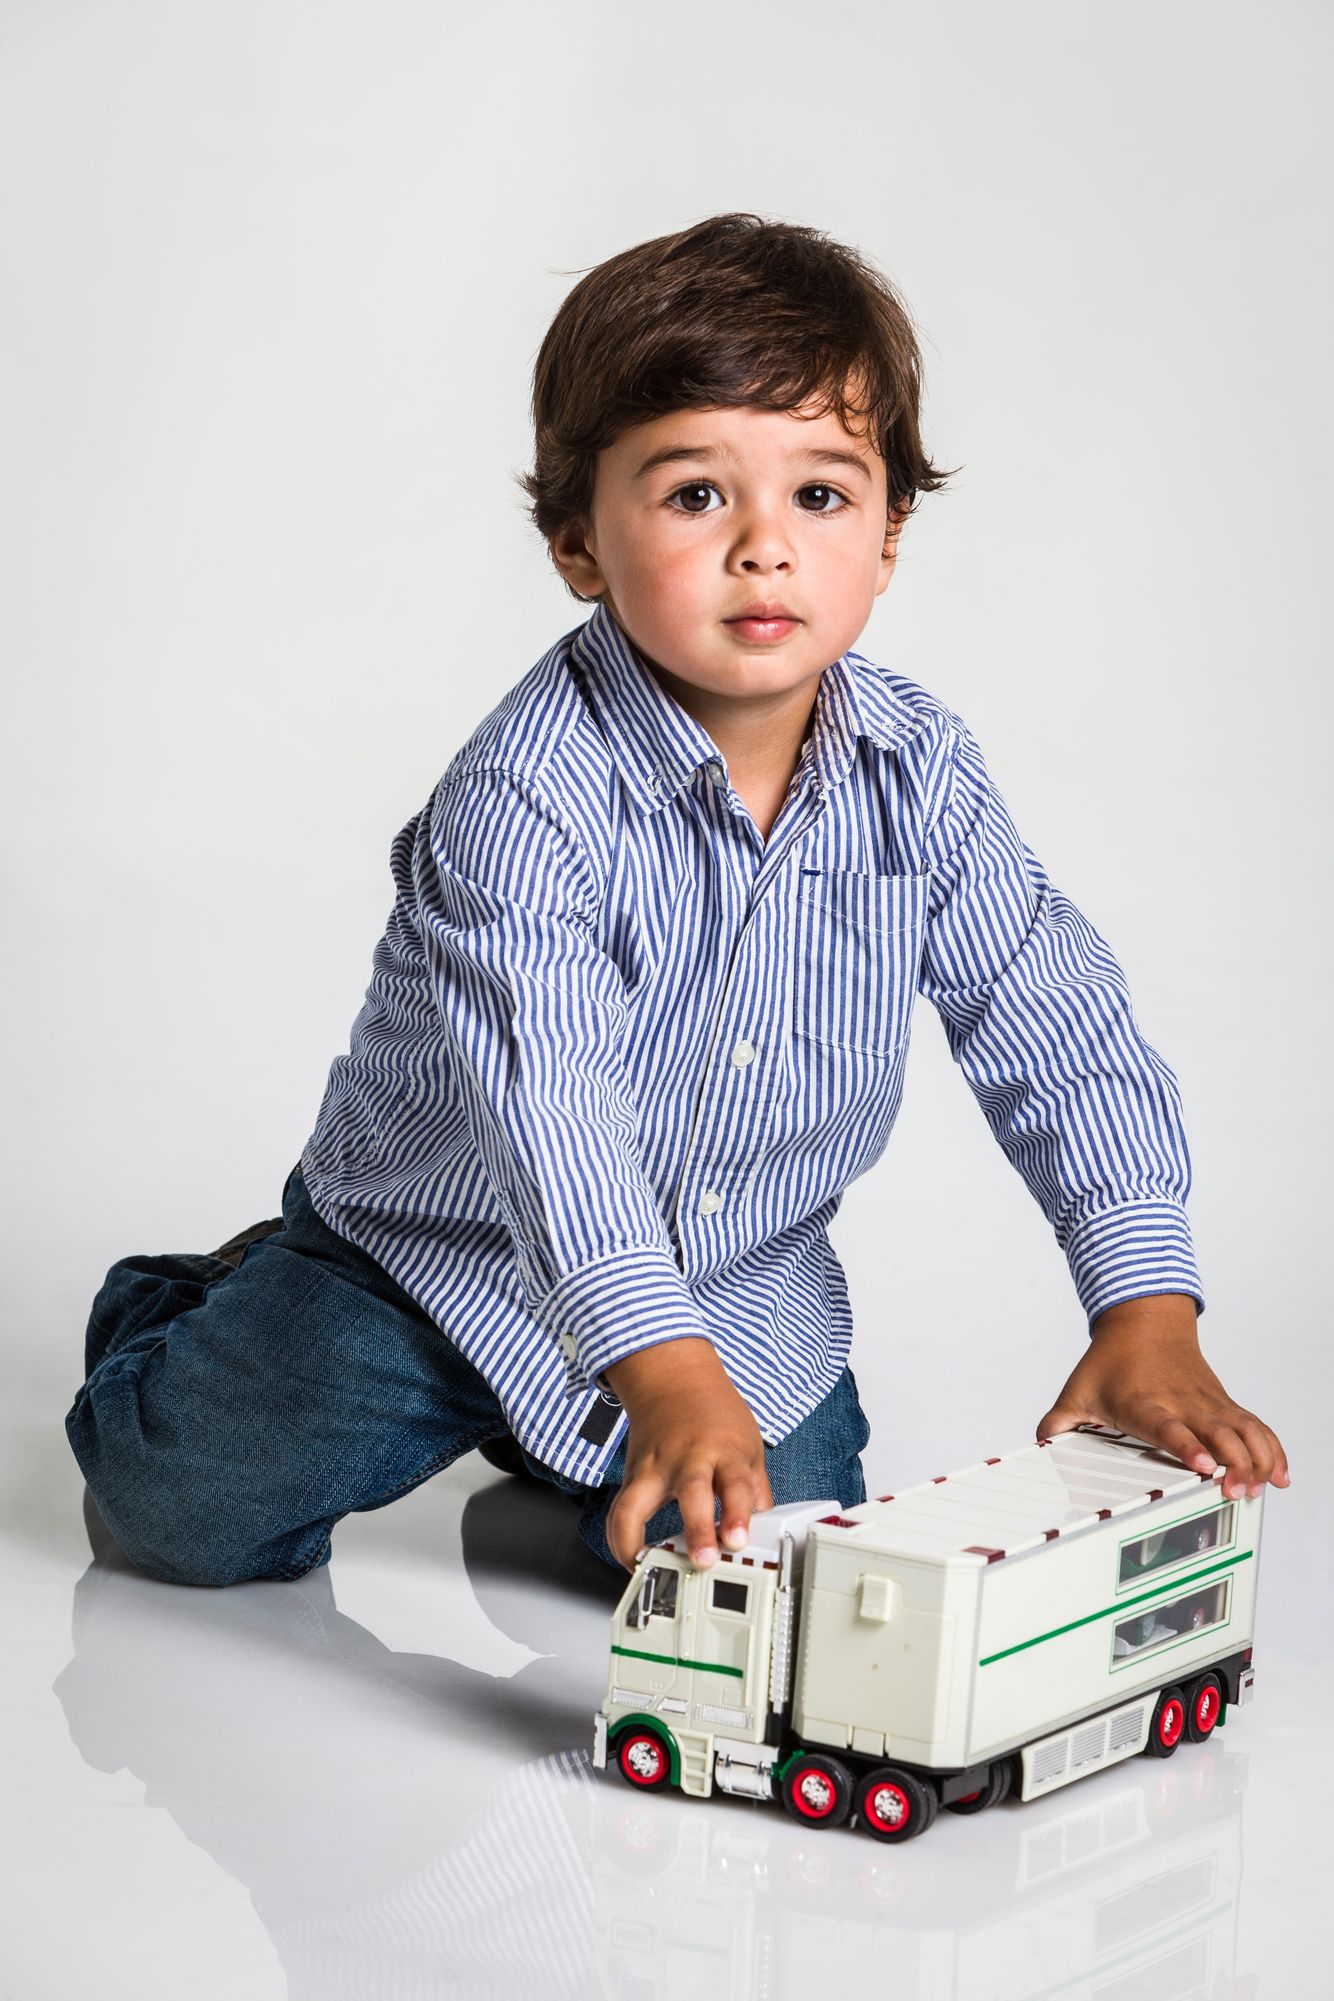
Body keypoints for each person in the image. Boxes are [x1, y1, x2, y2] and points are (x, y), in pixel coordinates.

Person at [65, 212, 1289, 1590]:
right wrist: (652, 1362)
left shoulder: (922, 773)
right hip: (422, 1261)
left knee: (769, 1574)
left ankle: (574, 1438)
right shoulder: (524, 792)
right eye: (696, 494)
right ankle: (194, 1309)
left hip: (738, 1289)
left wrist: (1143, 1303)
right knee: (188, 1519)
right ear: (579, 542)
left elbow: (1053, 1021)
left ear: (888, 536)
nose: (763, 548)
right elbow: (552, 1113)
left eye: (819, 497)